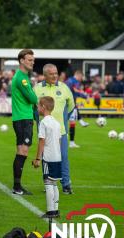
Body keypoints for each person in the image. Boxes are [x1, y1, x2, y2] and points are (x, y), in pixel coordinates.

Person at [34, 64, 75, 195]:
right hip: (44, 130)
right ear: (45, 75)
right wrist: (38, 121)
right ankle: (48, 184)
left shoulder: (64, 87)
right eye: (51, 74)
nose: (55, 76)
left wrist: (62, 120)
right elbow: (33, 107)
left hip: (60, 130)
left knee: (63, 156)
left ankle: (66, 185)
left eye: (56, 73)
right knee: (46, 158)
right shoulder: (37, 88)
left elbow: (71, 106)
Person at [11, 49, 38, 195]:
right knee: (23, 150)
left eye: (33, 60)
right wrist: (34, 96)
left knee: (22, 150)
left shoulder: (23, 76)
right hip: (23, 118)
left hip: (22, 117)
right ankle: (16, 186)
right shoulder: (21, 78)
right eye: (29, 59)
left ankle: (17, 185)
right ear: (22, 60)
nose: (32, 62)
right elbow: (33, 99)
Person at [32, 97, 61, 218]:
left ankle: (50, 211)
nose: (37, 108)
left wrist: (38, 158)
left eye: (38, 106)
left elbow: (42, 141)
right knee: (54, 183)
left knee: (48, 183)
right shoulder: (56, 122)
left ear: (43, 107)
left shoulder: (43, 122)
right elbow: (59, 141)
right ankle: (56, 209)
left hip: (48, 157)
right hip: (57, 156)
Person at [65, 70, 89, 148]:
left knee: (64, 122)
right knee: (72, 123)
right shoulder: (74, 81)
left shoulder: (68, 80)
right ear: (78, 75)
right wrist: (85, 97)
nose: (81, 79)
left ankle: (81, 121)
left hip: (65, 103)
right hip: (70, 104)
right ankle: (71, 143)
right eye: (81, 77)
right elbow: (76, 91)